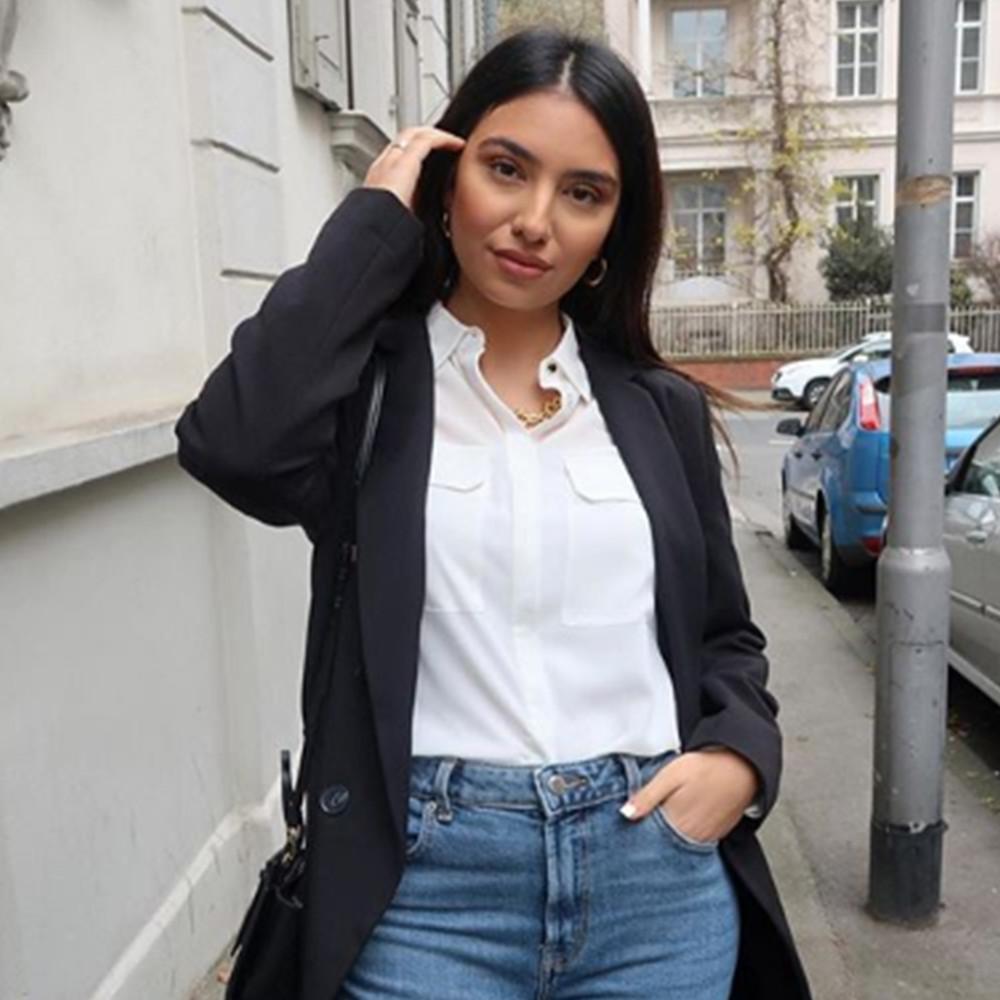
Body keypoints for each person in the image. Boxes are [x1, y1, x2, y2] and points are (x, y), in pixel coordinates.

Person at [175, 25, 812, 1000]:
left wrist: (737, 758)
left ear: (613, 227)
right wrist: (372, 222)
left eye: (583, 193)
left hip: (653, 877)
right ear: (447, 172)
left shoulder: (657, 410)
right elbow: (232, 443)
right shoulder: (371, 394)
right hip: (425, 885)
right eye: (504, 169)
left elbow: (724, 635)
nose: (534, 220)